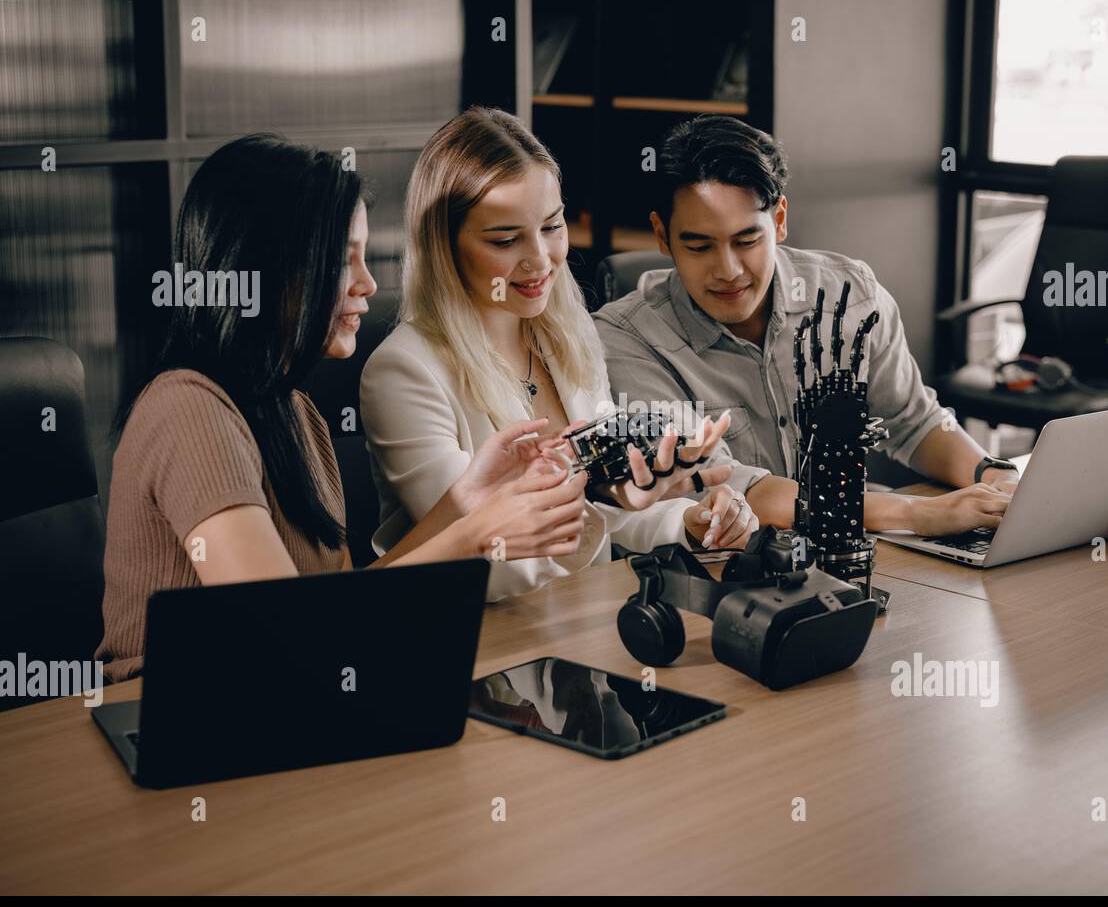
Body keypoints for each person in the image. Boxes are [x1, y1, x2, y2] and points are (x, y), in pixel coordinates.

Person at [97, 134, 586, 682]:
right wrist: (470, 538)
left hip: (286, 702)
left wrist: (462, 501)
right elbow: (290, 631)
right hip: (178, 710)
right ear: (264, 267)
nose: (367, 284)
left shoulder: (296, 414)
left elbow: (345, 608)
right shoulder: (189, 408)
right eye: (340, 260)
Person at [361, 108, 758, 601]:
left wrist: (690, 520)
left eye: (551, 227)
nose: (540, 258)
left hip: (578, 628)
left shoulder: (566, 333)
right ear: (444, 245)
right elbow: (495, 557)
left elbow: (613, 502)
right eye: (505, 240)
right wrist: (598, 496)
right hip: (485, 648)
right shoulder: (403, 371)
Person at [593, 115, 1020, 537]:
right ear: (662, 236)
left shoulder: (851, 295)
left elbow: (913, 419)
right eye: (700, 246)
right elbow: (733, 485)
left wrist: (993, 475)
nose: (728, 270)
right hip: (725, 567)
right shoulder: (626, 339)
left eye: (747, 241)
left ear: (779, 220)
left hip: (855, 543)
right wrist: (914, 513)